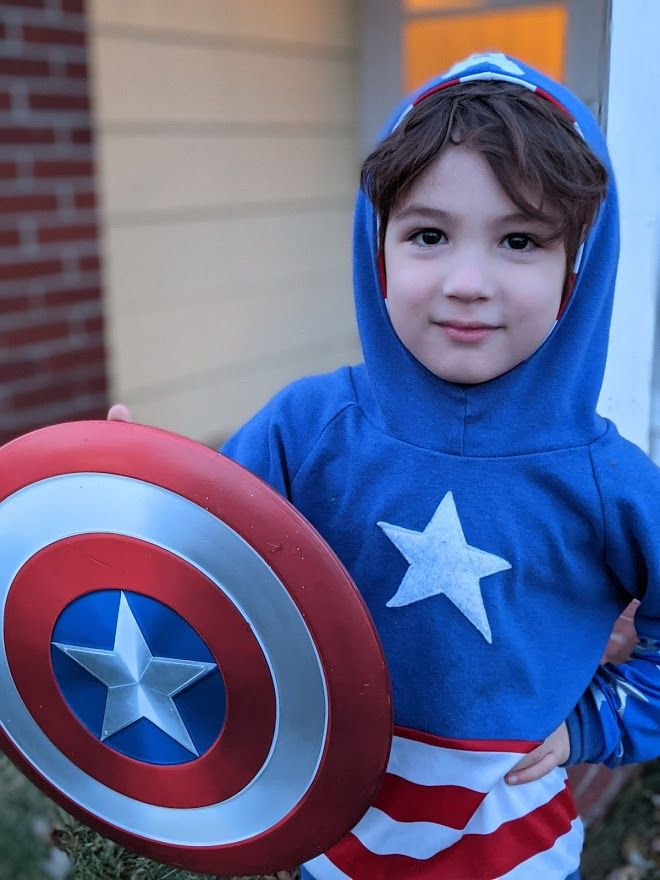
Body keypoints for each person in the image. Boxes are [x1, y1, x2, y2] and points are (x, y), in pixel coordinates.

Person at [113, 53, 660, 879]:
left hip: (520, 856)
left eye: (519, 239)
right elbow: (205, 572)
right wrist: (134, 496)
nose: (467, 282)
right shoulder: (307, 427)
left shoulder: (609, 478)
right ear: (378, 248)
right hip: (327, 844)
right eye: (429, 235)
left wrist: (604, 721)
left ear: (575, 270)